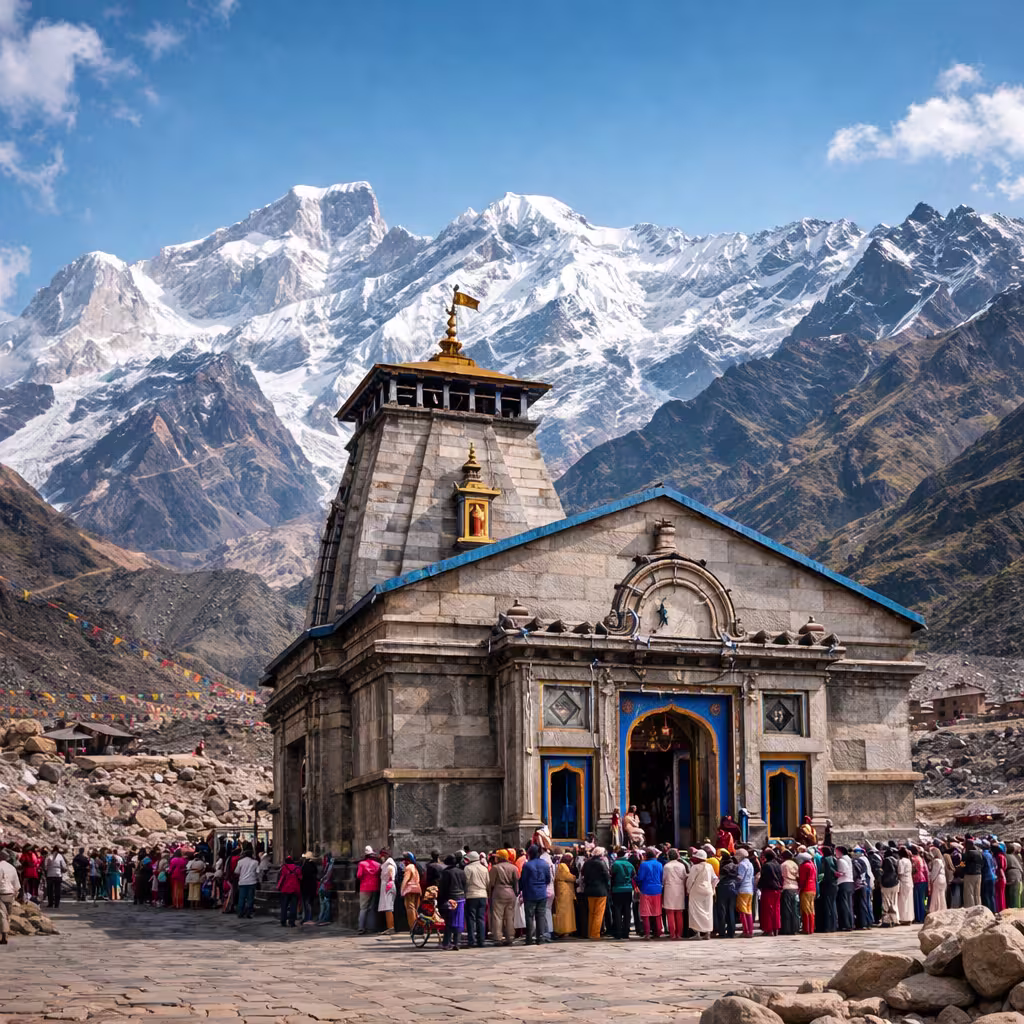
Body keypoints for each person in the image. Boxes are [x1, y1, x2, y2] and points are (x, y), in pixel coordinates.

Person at [520, 845, 551, 945]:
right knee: (540, 916)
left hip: (530, 893)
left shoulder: (527, 865)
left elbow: (523, 880)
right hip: (542, 893)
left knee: (529, 916)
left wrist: (520, 890)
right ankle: (540, 937)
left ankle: (529, 938)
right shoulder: (545, 864)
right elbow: (548, 879)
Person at [487, 849, 518, 946]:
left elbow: (491, 883)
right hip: (510, 893)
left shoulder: (495, 868)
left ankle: (498, 938)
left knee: (497, 916)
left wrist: (489, 894)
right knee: (510, 917)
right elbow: (516, 882)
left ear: (499, 857)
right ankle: (510, 937)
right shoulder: (513, 867)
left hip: (499, 893)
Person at [438, 854, 467, 950]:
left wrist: (442, 899)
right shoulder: (461, 872)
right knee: (459, 920)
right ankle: (457, 942)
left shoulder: (446, 873)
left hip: (450, 899)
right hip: (461, 898)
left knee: (449, 921)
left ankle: (446, 942)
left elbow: (443, 888)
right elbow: (465, 885)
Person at [581, 847, 611, 940]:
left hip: (589, 890)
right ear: (601, 854)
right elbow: (607, 876)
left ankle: (590, 932)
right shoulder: (601, 863)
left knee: (591, 912)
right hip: (601, 891)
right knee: (598, 913)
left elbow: (583, 875)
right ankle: (595, 934)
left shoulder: (587, 863)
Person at [686, 848, 716, 939]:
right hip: (708, 890)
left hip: (696, 891)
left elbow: (690, 880)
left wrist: (688, 890)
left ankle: (698, 934)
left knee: (695, 912)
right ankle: (708, 933)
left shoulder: (695, 867)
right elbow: (715, 879)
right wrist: (713, 889)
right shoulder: (709, 866)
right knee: (708, 912)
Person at [636, 848, 664, 938]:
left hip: (646, 890)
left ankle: (647, 933)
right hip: (657, 890)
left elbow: (640, 878)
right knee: (657, 913)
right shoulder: (659, 864)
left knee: (645, 913)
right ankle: (659, 932)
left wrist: (634, 878)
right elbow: (661, 877)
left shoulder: (644, 865)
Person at [464, 852, 489, 947]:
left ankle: (471, 940)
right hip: (482, 895)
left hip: (471, 895)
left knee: (471, 918)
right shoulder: (484, 868)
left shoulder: (468, 868)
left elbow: (465, 882)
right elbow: (488, 883)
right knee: (481, 918)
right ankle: (481, 940)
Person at [609, 849, 635, 940]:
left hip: (617, 889)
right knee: (627, 911)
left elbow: (612, 876)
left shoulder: (615, 864)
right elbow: (633, 876)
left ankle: (618, 932)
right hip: (628, 890)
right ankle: (626, 932)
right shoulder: (630, 864)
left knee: (617, 911)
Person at [662, 849, 687, 940]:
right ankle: (679, 934)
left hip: (669, 889)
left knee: (670, 912)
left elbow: (663, 879)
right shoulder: (681, 865)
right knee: (679, 912)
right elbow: (684, 877)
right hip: (679, 890)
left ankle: (672, 934)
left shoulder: (666, 866)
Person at [355, 846, 380, 934]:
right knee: (372, 908)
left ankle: (361, 927)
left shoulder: (362, 864)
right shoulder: (378, 865)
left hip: (364, 888)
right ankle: (372, 927)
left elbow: (359, 875)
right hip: (375, 887)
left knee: (363, 908)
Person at [758, 848, 783, 936]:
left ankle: (769, 930)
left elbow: (764, 878)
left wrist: (759, 886)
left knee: (767, 910)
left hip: (768, 890)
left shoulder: (766, 865)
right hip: (777, 889)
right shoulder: (778, 865)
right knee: (776, 909)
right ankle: (776, 928)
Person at [714, 851, 737, 939]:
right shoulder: (735, 866)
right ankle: (731, 931)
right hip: (733, 888)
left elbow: (720, 878)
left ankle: (722, 931)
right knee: (731, 910)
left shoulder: (724, 867)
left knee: (722, 911)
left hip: (723, 888)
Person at [553, 852, 576, 938]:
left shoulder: (561, 865)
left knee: (566, 911)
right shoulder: (563, 865)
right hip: (564, 891)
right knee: (564, 911)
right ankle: (563, 929)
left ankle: (566, 929)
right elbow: (567, 876)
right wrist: (575, 878)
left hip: (564, 890)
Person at [0, 850, 21, 945]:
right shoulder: (12, 867)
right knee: (8, 914)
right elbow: (17, 884)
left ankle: (4, 935)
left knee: (2, 914)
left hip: (2, 893)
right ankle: (6, 933)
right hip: (10, 894)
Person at [817, 846, 838, 933]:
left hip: (827, 885)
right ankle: (833, 925)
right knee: (833, 905)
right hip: (834, 884)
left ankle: (828, 926)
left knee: (827, 906)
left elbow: (825, 873)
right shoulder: (833, 858)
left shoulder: (825, 859)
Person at [277, 854, 301, 927]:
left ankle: (283, 921)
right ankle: (292, 922)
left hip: (285, 889)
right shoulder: (297, 868)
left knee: (284, 906)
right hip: (295, 889)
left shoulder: (284, 868)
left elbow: (280, 878)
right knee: (293, 906)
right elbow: (300, 878)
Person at [235, 846, 259, 919]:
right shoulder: (255, 862)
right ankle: (249, 913)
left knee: (241, 898)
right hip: (252, 882)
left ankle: (240, 912)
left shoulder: (240, 862)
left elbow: (236, 871)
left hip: (242, 882)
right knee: (250, 898)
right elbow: (258, 872)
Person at [780, 850, 800, 935]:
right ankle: (795, 928)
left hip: (786, 887)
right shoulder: (794, 864)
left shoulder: (783, 865)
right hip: (795, 887)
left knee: (786, 910)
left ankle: (787, 929)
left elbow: (781, 876)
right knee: (794, 910)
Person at [400, 853, 421, 933]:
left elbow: (405, 879)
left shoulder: (408, 867)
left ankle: (413, 926)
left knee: (410, 908)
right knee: (415, 908)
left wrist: (402, 890)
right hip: (417, 889)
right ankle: (417, 925)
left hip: (409, 890)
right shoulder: (415, 867)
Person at [378, 848, 397, 933]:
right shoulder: (385, 865)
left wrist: (389, 883)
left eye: (382, 855)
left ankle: (391, 927)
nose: (381, 857)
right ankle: (389, 926)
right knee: (387, 907)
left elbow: (391, 876)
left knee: (389, 907)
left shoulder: (390, 865)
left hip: (388, 886)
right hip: (385, 886)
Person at [880, 846, 900, 927]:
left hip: (887, 884)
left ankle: (887, 921)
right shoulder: (896, 860)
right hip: (895, 883)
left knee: (886, 903)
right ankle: (895, 920)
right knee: (893, 902)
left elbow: (885, 871)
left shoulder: (886, 860)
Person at [835, 846, 855, 931]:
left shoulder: (841, 860)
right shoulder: (848, 859)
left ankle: (845, 924)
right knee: (849, 905)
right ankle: (850, 923)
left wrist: (836, 873)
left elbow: (843, 872)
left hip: (843, 882)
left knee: (844, 905)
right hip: (850, 882)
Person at [797, 851, 817, 934]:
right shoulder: (812, 865)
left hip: (806, 889)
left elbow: (802, 879)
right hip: (813, 888)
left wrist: (800, 887)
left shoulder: (804, 866)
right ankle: (811, 928)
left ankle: (807, 928)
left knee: (805, 909)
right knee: (811, 909)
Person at [300, 851, 319, 925]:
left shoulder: (305, 865)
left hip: (305, 887)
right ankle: (308, 917)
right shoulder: (314, 866)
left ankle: (307, 918)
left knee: (306, 903)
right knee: (310, 903)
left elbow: (303, 876)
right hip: (312, 887)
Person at [963, 840, 984, 908]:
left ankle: (970, 908)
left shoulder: (969, 853)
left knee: (969, 893)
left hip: (970, 875)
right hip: (978, 874)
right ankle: (978, 907)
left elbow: (963, 863)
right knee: (977, 893)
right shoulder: (980, 852)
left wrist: (958, 867)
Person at [911, 845, 928, 923]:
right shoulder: (920, 858)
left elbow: (913, 870)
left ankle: (918, 917)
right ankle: (923, 916)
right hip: (923, 879)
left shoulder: (913, 859)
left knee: (917, 900)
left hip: (916, 880)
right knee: (923, 899)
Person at [896, 848, 914, 924]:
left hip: (903, 881)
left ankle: (903, 918)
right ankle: (909, 917)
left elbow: (900, 872)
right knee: (909, 900)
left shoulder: (901, 861)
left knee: (902, 901)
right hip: (909, 881)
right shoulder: (909, 861)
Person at [929, 847, 947, 913]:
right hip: (943, 878)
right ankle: (942, 908)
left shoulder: (936, 861)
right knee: (941, 894)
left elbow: (934, 872)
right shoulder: (941, 861)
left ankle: (935, 909)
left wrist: (931, 880)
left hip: (938, 878)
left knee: (935, 894)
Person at [1007, 843, 1023, 910]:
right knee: (1017, 892)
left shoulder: (1006, 856)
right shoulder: (1015, 856)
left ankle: (1014, 908)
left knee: (1013, 893)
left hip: (1012, 874)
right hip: (1018, 874)